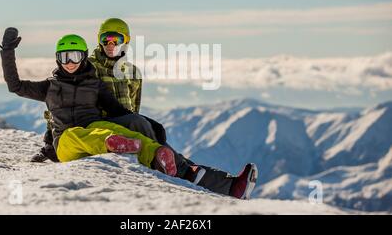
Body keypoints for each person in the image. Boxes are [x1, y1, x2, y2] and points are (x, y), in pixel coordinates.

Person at [32, 18, 258, 200]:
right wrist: (49, 139)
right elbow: (60, 99)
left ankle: (228, 185)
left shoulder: (132, 73)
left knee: (152, 132)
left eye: (116, 39)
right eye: (106, 39)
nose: (111, 44)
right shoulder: (87, 66)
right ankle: (193, 173)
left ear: (125, 41)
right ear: (99, 41)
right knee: (144, 129)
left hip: (124, 124)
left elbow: (132, 108)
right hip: (95, 128)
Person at [0, 28, 177, 176]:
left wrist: (146, 124)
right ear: (57, 59)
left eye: (75, 56)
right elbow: (15, 86)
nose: (69, 62)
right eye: (64, 57)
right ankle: (112, 143)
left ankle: (156, 154)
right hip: (65, 143)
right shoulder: (50, 87)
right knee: (74, 135)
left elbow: (118, 111)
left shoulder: (94, 85)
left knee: (115, 128)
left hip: (94, 126)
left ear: (83, 57)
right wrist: (7, 51)